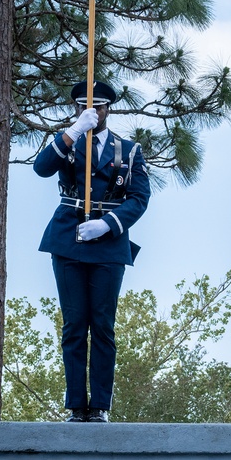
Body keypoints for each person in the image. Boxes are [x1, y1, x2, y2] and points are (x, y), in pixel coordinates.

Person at [33, 80, 150, 423]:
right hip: (68, 238)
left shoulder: (127, 150)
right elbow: (42, 168)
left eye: (98, 106)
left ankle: (98, 405)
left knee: (102, 324)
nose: (92, 111)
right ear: (76, 109)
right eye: (85, 106)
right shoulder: (66, 141)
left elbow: (140, 197)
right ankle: (75, 405)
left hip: (109, 243)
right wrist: (71, 132)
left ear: (107, 109)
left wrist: (109, 223)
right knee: (74, 324)